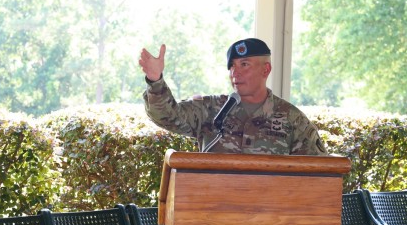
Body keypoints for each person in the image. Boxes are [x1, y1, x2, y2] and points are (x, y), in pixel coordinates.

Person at [138, 38, 327, 155]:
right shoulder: (211, 109)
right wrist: (155, 80)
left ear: (266, 69)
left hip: (270, 215)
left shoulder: (292, 118)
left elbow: (318, 171)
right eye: (232, 66)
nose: (235, 73)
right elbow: (167, 116)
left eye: (244, 64)